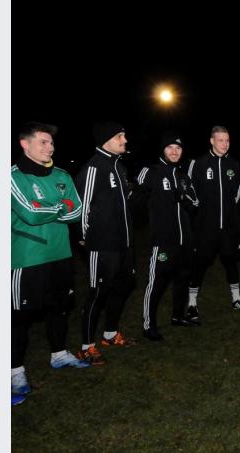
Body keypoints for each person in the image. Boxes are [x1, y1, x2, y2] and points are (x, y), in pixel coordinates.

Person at [11, 122, 89, 404]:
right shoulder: (12, 177)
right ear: (25, 144)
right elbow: (29, 213)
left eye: (51, 143)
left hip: (61, 254)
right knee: (18, 317)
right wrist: (60, 208)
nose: (50, 147)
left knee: (60, 308)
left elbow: (78, 210)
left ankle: (58, 355)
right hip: (26, 258)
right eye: (43, 142)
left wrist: (54, 209)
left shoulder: (62, 175)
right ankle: (14, 371)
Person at [75, 121, 137, 365]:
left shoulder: (118, 167)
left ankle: (110, 334)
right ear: (107, 139)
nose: (125, 140)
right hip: (102, 246)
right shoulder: (93, 167)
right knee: (97, 293)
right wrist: (85, 239)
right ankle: (86, 346)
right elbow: (82, 208)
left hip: (125, 244)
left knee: (124, 286)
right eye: (120, 135)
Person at [136, 133, 200, 341]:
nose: (174, 151)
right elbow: (137, 196)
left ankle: (178, 316)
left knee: (182, 279)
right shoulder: (152, 171)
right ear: (163, 150)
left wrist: (181, 195)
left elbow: (194, 203)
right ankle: (149, 325)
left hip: (185, 240)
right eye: (170, 147)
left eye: (178, 148)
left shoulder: (183, 176)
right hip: (163, 240)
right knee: (157, 283)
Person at [188, 126, 240, 320]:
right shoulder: (198, 163)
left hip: (228, 228)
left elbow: (236, 196)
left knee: (230, 261)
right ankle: (191, 303)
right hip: (205, 228)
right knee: (199, 264)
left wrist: (228, 218)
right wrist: (201, 219)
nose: (224, 144)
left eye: (227, 140)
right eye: (220, 140)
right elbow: (190, 194)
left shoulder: (236, 165)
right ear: (212, 141)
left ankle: (236, 298)